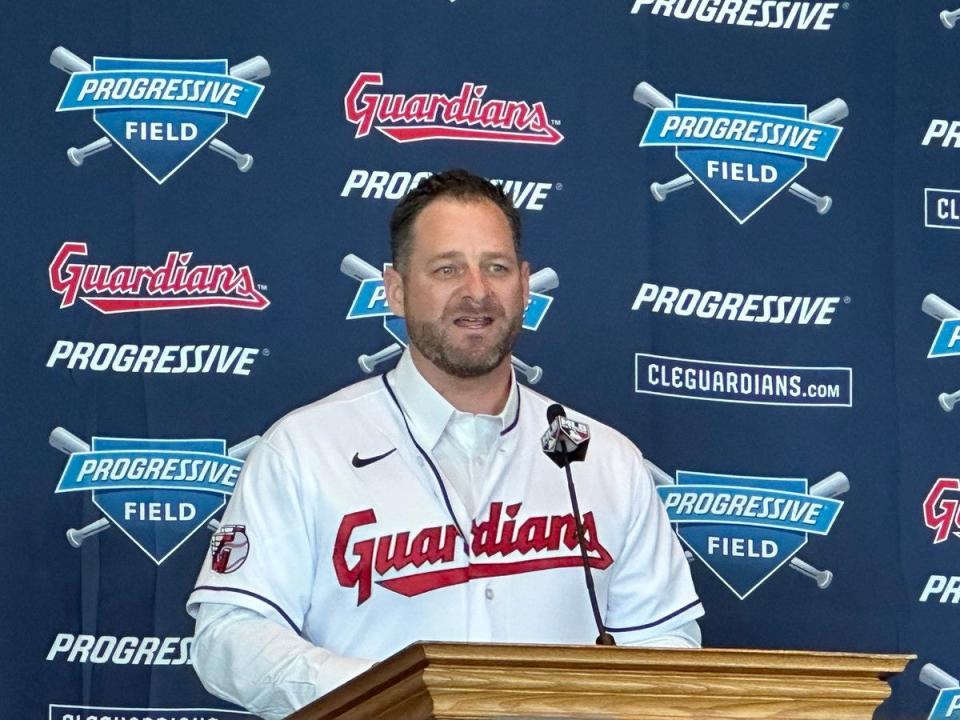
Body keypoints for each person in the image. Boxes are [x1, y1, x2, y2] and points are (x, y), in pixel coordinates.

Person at [187, 169, 703, 720]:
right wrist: (399, 698)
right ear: (395, 288)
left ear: (525, 286)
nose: (476, 291)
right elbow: (229, 638)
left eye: (496, 268)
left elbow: (665, 644)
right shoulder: (304, 448)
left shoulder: (604, 458)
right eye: (446, 268)